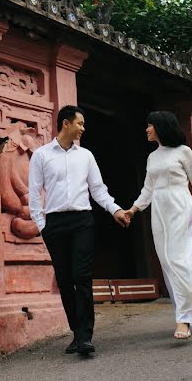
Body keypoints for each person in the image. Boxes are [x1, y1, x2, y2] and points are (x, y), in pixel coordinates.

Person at [28, 105, 130, 356]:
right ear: (66, 123)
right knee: (64, 281)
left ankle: (85, 337)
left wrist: (115, 209)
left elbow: (98, 190)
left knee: (81, 277)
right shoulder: (41, 155)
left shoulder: (86, 156)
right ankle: (76, 332)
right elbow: (33, 194)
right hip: (55, 224)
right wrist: (43, 226)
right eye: (80, 123)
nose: (83, 128)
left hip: (83, 221)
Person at [124, 111, 192, 340]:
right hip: (160, 212)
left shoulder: (184, 152)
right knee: (168, 262)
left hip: (181, 207)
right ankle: (185, 311)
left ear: (161, 127)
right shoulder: (152, 157)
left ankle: (183, 319)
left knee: (179, 260)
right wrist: (132, 210)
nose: (147, 129)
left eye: (150, 125)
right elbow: (148, 190)